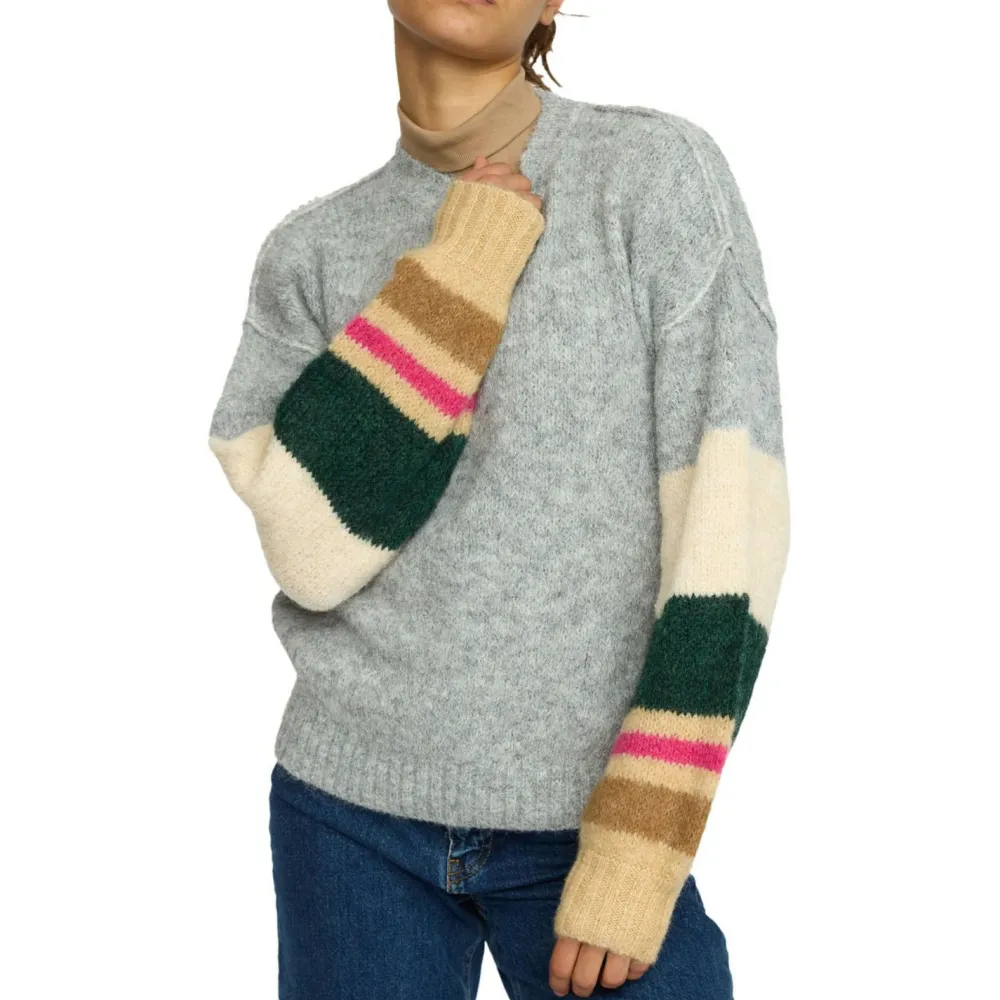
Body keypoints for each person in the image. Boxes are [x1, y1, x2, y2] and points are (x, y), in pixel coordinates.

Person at [206, 1, 790, 997]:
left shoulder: (653, 178)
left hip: (594, 821)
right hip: (346, 817)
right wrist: (462, 271)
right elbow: (310, 552)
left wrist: (642, 845)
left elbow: (732, 525)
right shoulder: (309, 251)